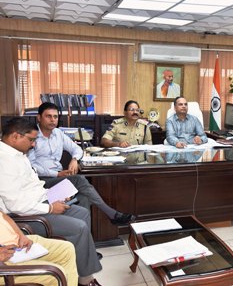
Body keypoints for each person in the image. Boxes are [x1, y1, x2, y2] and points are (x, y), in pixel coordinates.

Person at [0, 118, 102, 286]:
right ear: (15, 136)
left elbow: (34, 187)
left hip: (39, 203)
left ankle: (78, 267)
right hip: (24, 216)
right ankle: (85, 279)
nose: (33, 145)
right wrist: (50, 208)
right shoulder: (4, 161)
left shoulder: (17, 154)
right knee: (80, 228)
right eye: (31, 140)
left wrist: (53, 196)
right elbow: (16, 206)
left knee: (83, 212)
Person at [27, 102, 135, 226]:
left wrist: (74, 160)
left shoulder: (58, 134)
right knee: (80, 180)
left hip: (59, 178)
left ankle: (84, 237)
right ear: (39, 118)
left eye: (55, 117)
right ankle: (112, 214)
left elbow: (77, 149)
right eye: (48, 116)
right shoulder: (32, 136)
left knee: (84, 198)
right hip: (42, 181)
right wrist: (56, 174)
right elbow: (31, 166)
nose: (52, 120)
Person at [0, 211, 78, 286]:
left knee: (66, 249)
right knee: (55, 275)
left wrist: (21, 235)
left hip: (17, 242)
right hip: (3, 261)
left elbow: (3, 215)